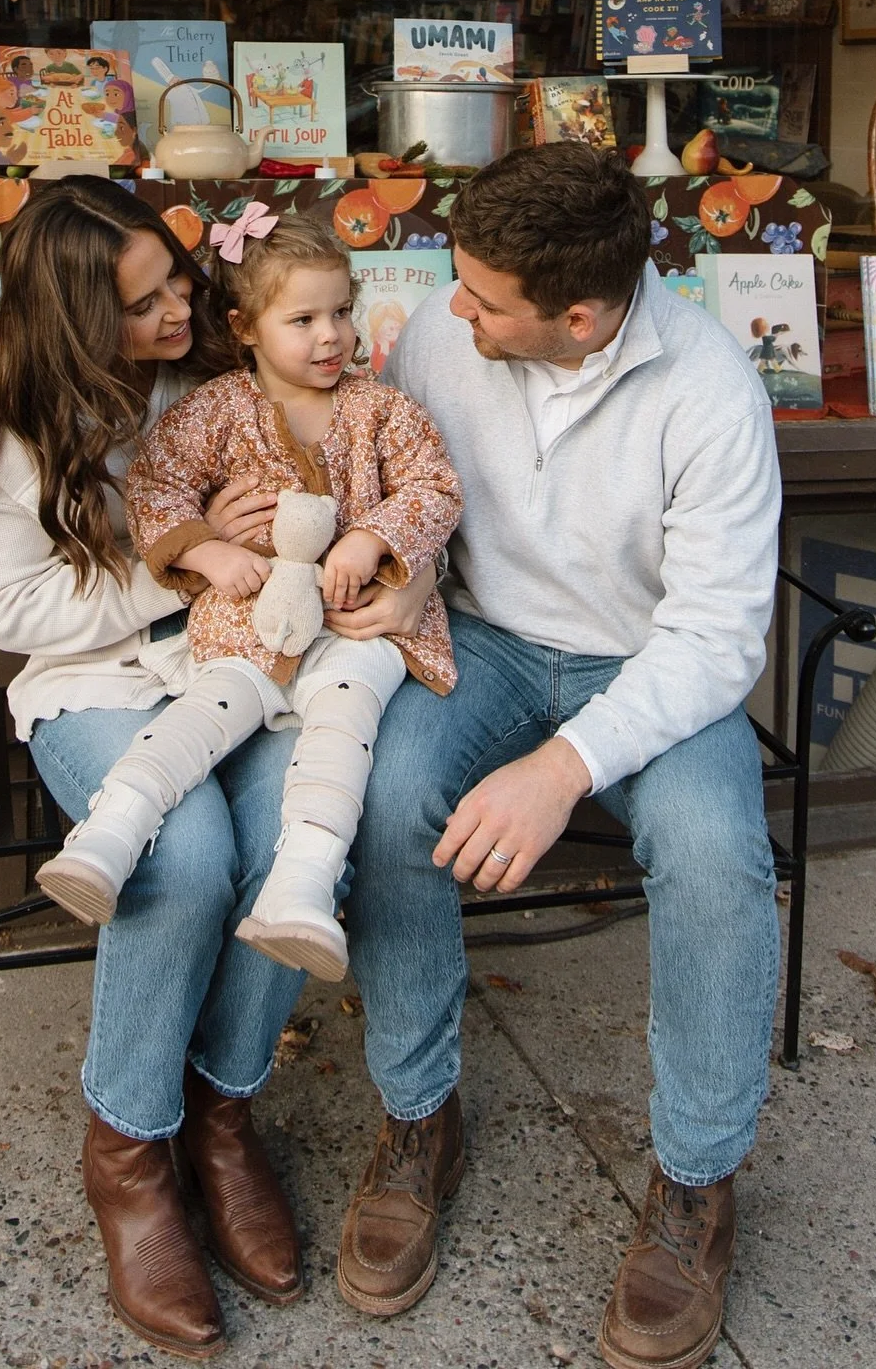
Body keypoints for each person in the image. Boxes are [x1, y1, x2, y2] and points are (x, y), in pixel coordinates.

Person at [0, 180, 448, 1359]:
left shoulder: (226, 374)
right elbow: (10, 606)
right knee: (186, 860)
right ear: (73, 318)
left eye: (176, 281)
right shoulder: (17, 420)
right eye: (145, 302)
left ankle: (223, 1109)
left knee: (284, 846)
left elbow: (382, 485)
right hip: (100, 682)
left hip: (258, 661)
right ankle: (128, 1150)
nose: (179, 309)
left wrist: (386, 572)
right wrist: (192, 564)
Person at [333, 143, 781, 1369]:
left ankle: (695, 1183)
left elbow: (714, 640)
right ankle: (420, 1118)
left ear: (577, 316)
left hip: (646, 670)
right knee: (385, 796)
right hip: (481, 641)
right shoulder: (441, 332)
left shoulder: (710, 392)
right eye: (459, 284)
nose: (450, 310)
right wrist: (404, 568)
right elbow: (414, 491)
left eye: (484, 299)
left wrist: (563, 766)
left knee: (714, 852)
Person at [35, 209, 461, 983]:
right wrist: (206, 548)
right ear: (246, 327)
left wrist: (375, 540)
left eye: (340, 312)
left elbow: (434, 487)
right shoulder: (213, 412)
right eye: (303, 319)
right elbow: (157, 488)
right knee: (207, 712)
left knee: (344, 726)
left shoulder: (383, 410)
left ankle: (301, 887)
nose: (330, 336)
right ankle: (107, 836)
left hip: (360, 625)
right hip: (248, 618)